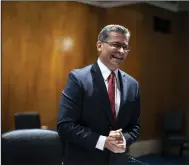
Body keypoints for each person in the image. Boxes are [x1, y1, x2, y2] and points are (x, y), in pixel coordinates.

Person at [57, 24, 140, 165]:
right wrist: (103, 141)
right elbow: (65, 125)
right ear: (99, 45)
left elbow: (135, 127)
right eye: (116, 45)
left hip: (117, 161)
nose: (121, 51)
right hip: (84, 160)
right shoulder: (78, 78)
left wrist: (123, 139)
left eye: (125, 47)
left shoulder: (133, 85)